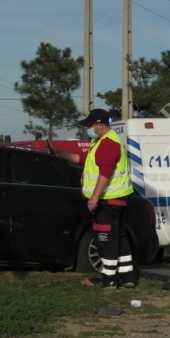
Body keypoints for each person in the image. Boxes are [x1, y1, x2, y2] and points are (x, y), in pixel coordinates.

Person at [55, 108, 136, 290]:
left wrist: (94, 196)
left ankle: (108, 280)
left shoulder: (108, 143)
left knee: (105, 239)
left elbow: (105, 170)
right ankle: (127, 276)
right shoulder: (103, 141)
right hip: (116, 198)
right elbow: (86, 159)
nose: (89, 129)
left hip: (108, 199)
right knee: (119, 237)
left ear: (99, 126)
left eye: (91, 126)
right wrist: (64, 155)